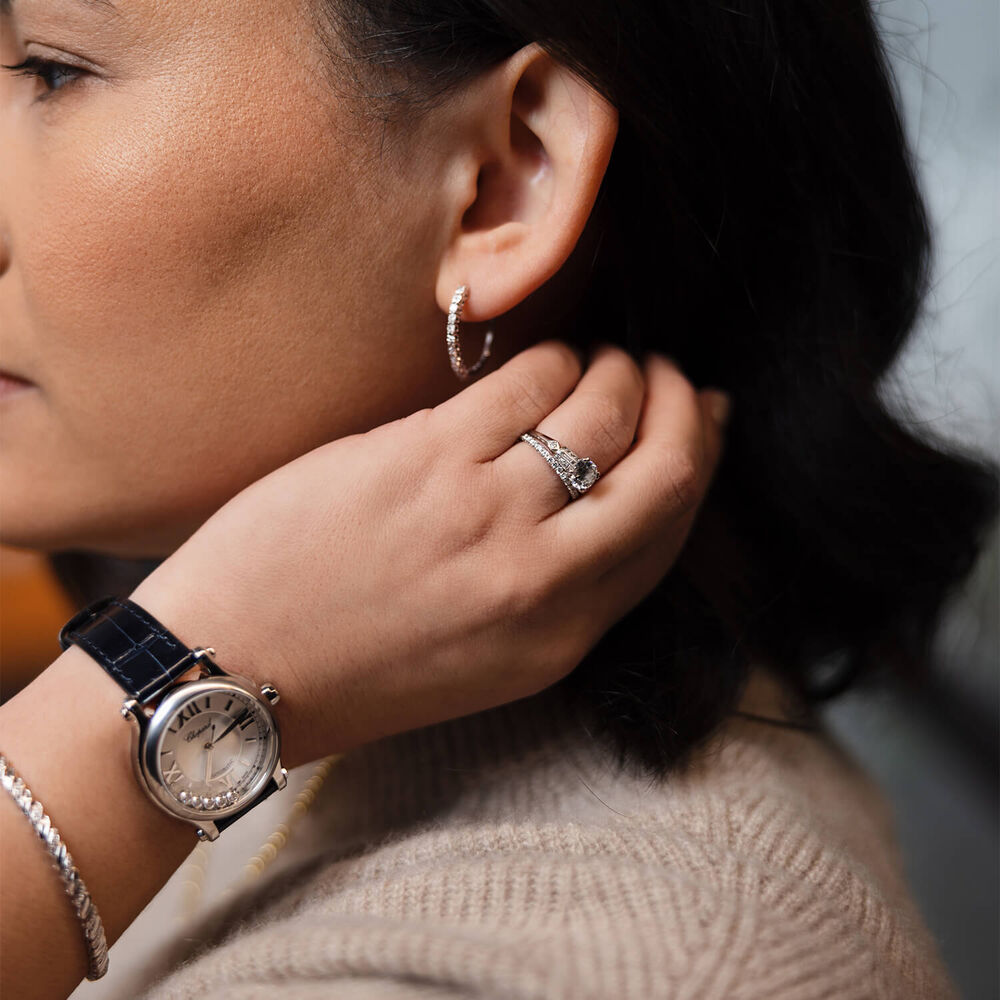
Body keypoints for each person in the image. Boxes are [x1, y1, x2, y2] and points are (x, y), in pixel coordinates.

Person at [0, 0, 995, 997]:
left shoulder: (622, 967)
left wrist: (160, 697)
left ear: (502, 179)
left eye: (50, 70)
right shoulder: (289, 703)